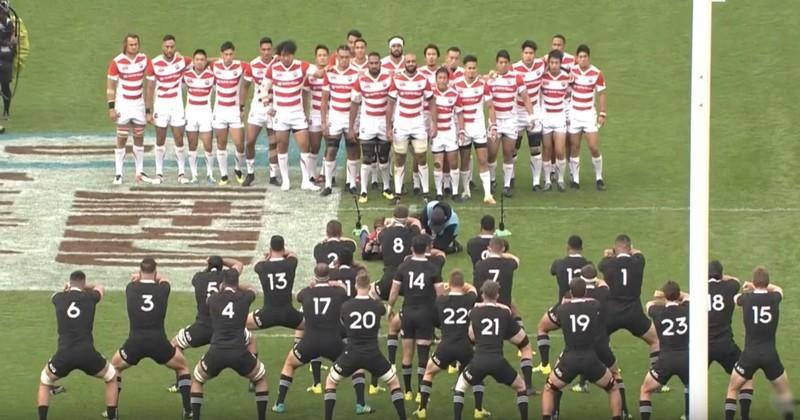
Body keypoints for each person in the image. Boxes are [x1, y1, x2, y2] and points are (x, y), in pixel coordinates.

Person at [273, 264, 375, 415]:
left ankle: (279, 403)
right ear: (329, 275)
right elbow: (344, 290)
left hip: (310, 341)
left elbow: (298, 296)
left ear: (315, 274)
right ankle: (360, 404)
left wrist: (312, 285)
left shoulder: (306, 293)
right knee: (357, 366)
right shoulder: (338, 292)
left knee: (289, 364)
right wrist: (335, 283)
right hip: (333, 341)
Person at [110, 258, 192, 418]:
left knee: (114, 368)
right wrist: (155, 276)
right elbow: (165, 279)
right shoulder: (164, 289)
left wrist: (138, 278)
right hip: (158, 342)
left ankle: (112, 413)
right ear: (155, 272)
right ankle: (188, 410)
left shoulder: (130, 288)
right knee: (182, 367)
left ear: (140, 272)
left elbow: (138, 280)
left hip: (135, 342)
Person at [324, 273, 408, 420]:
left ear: (356, 286)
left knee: (331, 381)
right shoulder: (377, 306)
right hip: (373, 354)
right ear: (369, 286)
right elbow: (381, 310)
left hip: (351, 353)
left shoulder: (346, 306)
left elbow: (343, 323)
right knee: (394, 382)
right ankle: (403, 418)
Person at [36, 271, 119, 420]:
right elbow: (100, 287)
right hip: (87, 354)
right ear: (83, 283)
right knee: (111, 377)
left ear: (69, 283)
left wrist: (68, 288)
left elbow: (54, 295)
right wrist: (87, 286)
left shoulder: (59, 298)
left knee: (45, 380)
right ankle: (112, 417)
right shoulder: (91, 298)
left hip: (64, 354)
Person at [190, 270, 269, 420]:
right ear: (236, 282)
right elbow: (253, 290)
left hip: (217, 351)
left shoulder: (213, 299)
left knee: (198, 380)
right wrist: (239, 287)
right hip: (239, 352)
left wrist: (222, 288)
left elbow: (208, 301)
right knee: (260, 379)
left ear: (223, 283)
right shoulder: (245, 298)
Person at [542, 278, 623, 420]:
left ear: (570, 292)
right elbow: (602, 293)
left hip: (569, 359)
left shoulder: (562, 309)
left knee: (550, 388)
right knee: (613, 388)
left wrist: (564, 302)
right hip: (591, 359)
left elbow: (550, 322)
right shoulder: (594, 305)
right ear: (585, 292)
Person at [415, 270, 490, 419]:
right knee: (478, 375)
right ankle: (478, 409)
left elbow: (435, 316)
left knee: (429, 372)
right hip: (465, 346)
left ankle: (422, 409)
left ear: (449, 284)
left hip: (446, 346)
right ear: (462, 284)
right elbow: (472, 289)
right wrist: (463, 285)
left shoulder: (440, 300)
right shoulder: (469, 298)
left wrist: (447, 286)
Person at [453, 281, 533, 420]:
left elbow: (471, 336)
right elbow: (520, 338)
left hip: (479, 362)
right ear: (497, 295)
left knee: (460, 386)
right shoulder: (504, 312)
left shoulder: (475, 311)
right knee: (521, 387)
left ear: (482, 294)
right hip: (498, 362)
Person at [725, 267, 794, 420]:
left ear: (754, 282)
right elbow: (778, 289)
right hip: (770, 354)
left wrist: (750, 288)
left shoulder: (745, 299)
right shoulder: (775, 297)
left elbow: (735, 299)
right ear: (767, 282)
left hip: (750, 355)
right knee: (784, 392)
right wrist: (758, 286)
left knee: (732, 389)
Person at [388, 235, 446, 401]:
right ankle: (421, 392)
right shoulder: (433, 267)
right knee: (423, 354)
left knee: (407, 354)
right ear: (428, 248)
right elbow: (440, 294)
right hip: (425, 314)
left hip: (407, 313)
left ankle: (407, 391)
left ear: (412, 248)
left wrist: (390, 306)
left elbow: (394, 290)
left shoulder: (403, 266)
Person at [599, 234, 661, 381]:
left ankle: (594, 377)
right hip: (633, 312)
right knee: (656, 340)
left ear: (615, 249)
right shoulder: (639, 261)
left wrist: (610, 254)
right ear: (630, 248)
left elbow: (603, 262)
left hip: (612, 312)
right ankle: (657, 379)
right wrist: (631, 250)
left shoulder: (607, 263)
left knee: (596, 338)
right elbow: (638, 253)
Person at [261, 40, 316, 191]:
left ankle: (306, 181)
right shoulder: (273, 69)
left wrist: (325, 67)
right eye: (284, 55)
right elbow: (264, 88)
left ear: (293, 54)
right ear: (280, 55)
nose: (286, 58)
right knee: (281, 146)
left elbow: (317, 72)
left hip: (297, 114)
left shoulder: (301, 66)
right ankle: (286, 180)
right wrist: (267, 106)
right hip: (281, 115)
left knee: (305, 145)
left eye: (289, 55)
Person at [707, 261, 754, 419]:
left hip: (703, 346)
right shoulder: (730, 287)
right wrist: (720, 277)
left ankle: (689, 413)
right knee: (745, 376)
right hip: (725, 344)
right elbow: (736, 280)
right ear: (721, 275)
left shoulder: (699, 289)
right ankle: (745, 416)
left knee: (692, 381)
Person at [486, 49, 535, 198]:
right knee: (492, 152)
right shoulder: (490, 79)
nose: (503, 65)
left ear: (509, 63)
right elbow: (489, 103)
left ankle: (507, 185)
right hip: (495, 121)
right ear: (496, 63)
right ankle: (492, 180)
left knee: (508, 152)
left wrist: (531, 116)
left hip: (510, 121)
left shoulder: (516, 78)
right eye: (500, 62)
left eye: (505, 62)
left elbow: (526, 98)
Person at [639, 281, 690, 420]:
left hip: (666, 359)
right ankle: (688, 414)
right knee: (691, 387)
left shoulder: (657, 312)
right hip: (686, 358)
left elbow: (649, 304)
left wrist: (661, 297)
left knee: (645, 390)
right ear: (678, 294)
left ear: (665, 295)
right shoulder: (687, 309)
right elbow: (689, 297)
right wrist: (679, 297)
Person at [386, 52, 433, 201]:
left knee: (422, 157)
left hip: (418, 124)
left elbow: (431, 101)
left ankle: (425, 192)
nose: (411, 63)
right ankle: (398, 193)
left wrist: (434, 123)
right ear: (404, 63)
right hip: (401, 124)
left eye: (413, 61)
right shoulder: (397, 79)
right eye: (408, 61)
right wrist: (388, 126)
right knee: (399, 158)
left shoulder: (423, 80)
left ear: (416, 63)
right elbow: (390, 103)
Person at [145, 35, 191, 184]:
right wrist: (148, 111)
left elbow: (202, 61)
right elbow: (150, 88)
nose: (169, 50)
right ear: (162, 47)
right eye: (167, 47)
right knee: (160, 139)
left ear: (175, 47)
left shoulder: (182, 61)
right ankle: (159, 173)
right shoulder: (154, 63)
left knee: (179, 138)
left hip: (177, 105)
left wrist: (222, 61)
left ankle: (181, 173)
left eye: (172, 47)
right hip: (161, 105)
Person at [351, 51, 394, 202]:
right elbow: (355, 103)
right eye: (371, 63)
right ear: (368, 64)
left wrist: (390, 125)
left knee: (383, 157)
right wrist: (352, 127)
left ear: (380, 64)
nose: (374, 65)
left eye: (376, 63)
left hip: (383, 122)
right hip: (367, 123)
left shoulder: (388, 79)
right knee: (367, 157)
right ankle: (363, 190)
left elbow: (392, 102)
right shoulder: (361, 80)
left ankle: (386, 187)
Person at [107, 33, 149, 185]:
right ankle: (118, 173)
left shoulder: (143, 60)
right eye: (131, 44)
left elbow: (155, 71)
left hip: (138, 105)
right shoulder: (117, 62)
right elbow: (110, 87)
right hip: (123, 105)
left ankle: (139, 172)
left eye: (136, 44)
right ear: (125, 45)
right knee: (122, 138)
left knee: (139, 137)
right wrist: (111, 108)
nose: (134, 47)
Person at [320, 45, 360, 196]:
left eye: (346, 57)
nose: (344, 60)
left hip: (351, 117)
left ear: (350, 57)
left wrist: (353, 124)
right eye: (341, 57)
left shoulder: (356, 74)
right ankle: (328, 184)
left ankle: (352, 183)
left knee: (352, 150)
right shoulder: (329, 74)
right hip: (335, 117)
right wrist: (324, 122)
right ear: (336, 57)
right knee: (331, 149)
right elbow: (324, 100)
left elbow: (357, 100)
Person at [210, 41, 251, 185]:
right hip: (219, 111)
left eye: (231, 54)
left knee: (240, 143)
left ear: (234, 54)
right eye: (225, 54)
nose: (228, 57)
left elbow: (255, 66)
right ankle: (224, 175)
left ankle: (238, 169)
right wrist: (215, 59)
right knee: (221, 144)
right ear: (221, 55)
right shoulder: (215, 65)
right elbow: (202, 61)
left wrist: (242, 107)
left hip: (234, 111)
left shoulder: (241, 66)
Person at [453, 55, 493, 202]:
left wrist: (492, 125)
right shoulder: (456, 85)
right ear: (464, 69)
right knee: (464, 160)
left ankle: (488, 194)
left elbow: (490, 106)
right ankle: (466, 191)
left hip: (478, 128)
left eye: (474, 68)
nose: (471, 71)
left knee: (483, 159)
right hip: (463, 128)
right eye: (469, 68)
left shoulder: (483, 85)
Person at [568, 44, 607, 190]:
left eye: (585, 57)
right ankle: (575, 180)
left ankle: (599, 177)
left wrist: (602, 113)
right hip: (574, 113)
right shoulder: (571, 71)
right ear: (576, 58)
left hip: (589, 114)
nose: (582, 59)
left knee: (593, 147)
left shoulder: (597, 73)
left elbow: (601, 93)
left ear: (589, 58)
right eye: (580, 57)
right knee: (574, 146)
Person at [512, 40, 547, 190]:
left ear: (535, 54)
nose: (528, 56)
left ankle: (536, 182)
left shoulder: (541, 64)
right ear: (522, 53)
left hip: (535, 112)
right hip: (518, 113)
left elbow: (555, 57)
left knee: (535, 148)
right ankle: (511, 177)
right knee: (514, 148)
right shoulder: (514, 69)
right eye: (526, 53)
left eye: (531, 53)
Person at [243, 37, 277, 187]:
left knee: (273, 143)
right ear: (259, 50)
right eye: (263, 49)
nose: (266, 52)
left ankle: (273, 176)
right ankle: (250, 173)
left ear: (272, 49)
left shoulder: (278, 62)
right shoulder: (253, 64)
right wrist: (241, 107)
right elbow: (245, 86)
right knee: (250, 141)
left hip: (274, 108)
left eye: (269, 49)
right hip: (257, 109)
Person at [539, 50, 571, 192]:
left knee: (559, 150)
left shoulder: (567, 78)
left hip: (559, 118)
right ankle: (546, 180)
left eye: (556, 63)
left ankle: (560, 179)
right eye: (551, 62)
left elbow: (571, 96)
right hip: (546, 118)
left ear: (561, 63)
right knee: (546, 149)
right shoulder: (542, 77)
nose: (553, 65)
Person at [182, 49, 216, 184]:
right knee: (192, 144)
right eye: (197, 60)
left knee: (208, 144)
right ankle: (194, 174)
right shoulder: (186, 75)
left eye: (202, 60)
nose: (200, 62)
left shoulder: (212, 76)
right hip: (190, 113)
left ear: (206, 61)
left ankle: (210, 174)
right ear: (193, 61)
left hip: (206, 113)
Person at [430, 67, 463, 200]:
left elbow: (460, 113)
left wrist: (461, 131)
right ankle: (439, 192)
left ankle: (454, 192)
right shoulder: (431, 94)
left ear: (448, 80)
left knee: (453, 162)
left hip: (450, 133)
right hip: (436, 134)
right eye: (440, 78)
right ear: (436, 79)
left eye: (445, 78)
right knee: (438, 163)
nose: (442, 80)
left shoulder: (454, 94)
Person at [306, 45, 331, 187]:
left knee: (330, 145)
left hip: (330, 114)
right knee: (314, 146)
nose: (322, 57)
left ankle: (325, 173)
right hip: (314, 114)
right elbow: (305, 93)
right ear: (316, 57)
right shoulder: (311, 76)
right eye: (319, 55)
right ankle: (311, 174)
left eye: (324, 55)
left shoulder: (333, 73)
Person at [549, 235, 589, 302]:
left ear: (568, 247)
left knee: (549, 312)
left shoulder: (558, 263)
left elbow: (552, 271)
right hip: (583, 305)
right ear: (581, 248)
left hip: (563, 305)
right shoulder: (588, 265)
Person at [0, 1, 15, 120]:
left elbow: (13, 42)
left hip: (6, 59)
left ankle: (6, 111)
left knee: (5, 86)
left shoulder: (10, 25)